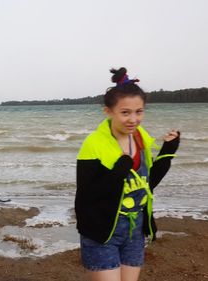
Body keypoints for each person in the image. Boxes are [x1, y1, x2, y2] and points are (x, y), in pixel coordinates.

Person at [75, 67, 180, 281]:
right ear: (108, 112)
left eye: (139, 111)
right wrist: (119, 170)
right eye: (125, 112)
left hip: (135, 231)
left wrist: (168, 151)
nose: (133, 119)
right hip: (101, 232)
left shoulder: (140, 137)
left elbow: (147, 184)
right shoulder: (94, 144)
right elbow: (87, 196)